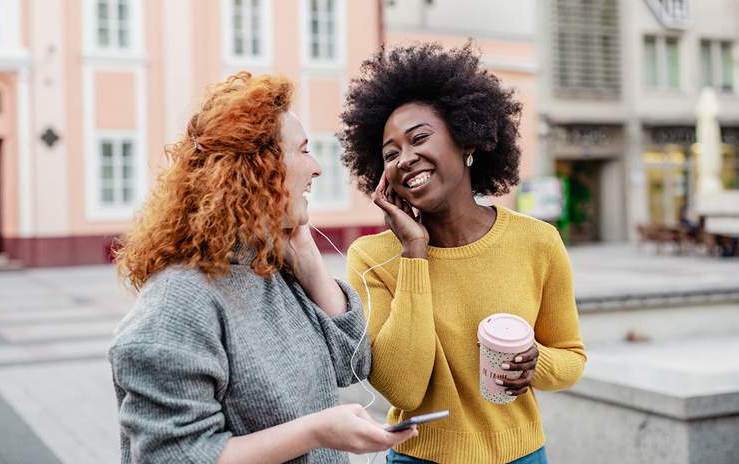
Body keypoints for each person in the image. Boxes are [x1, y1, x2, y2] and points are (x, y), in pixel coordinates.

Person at [110, 72, 416, 464]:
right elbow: (175, 456)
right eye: (304, 150)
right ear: (258, 168)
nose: (317, 168)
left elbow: (352, 364)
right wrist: (317, 431)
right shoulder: (179, 303)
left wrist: (307, 260)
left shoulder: (269, 269)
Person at [339, 43, 587, 463]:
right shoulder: (372, 257)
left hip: (523, 455)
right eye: (390, 154)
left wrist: (533, 363)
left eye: (419, 138)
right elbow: (403, 388)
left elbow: (571, 358)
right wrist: (414, 252)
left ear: (465, 139)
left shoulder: (537, 242)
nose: (406, 158)